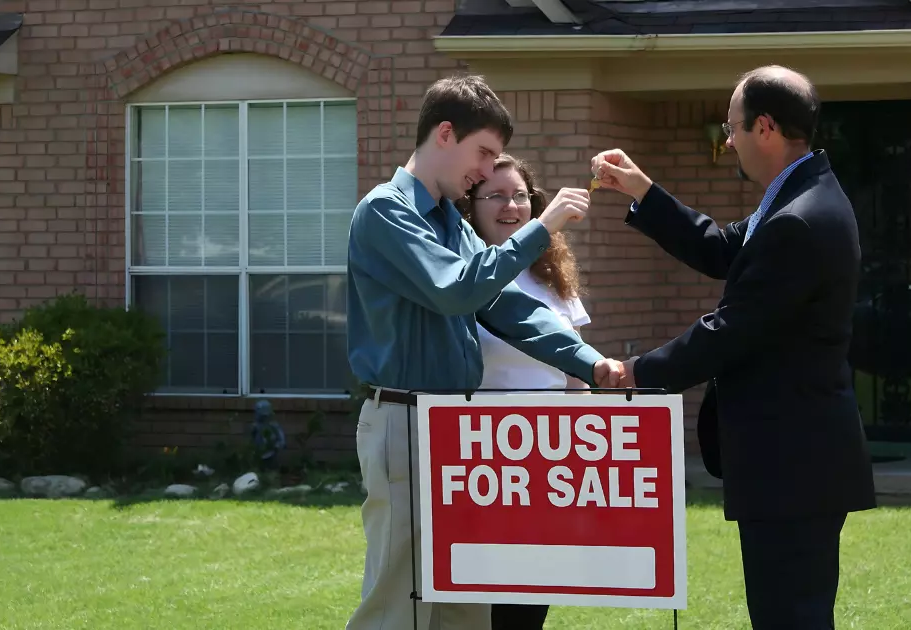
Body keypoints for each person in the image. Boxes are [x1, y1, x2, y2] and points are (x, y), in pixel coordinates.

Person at [592, 65, 876, 629]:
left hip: (790, 463)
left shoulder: (800, 218)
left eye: (733, 126)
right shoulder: (799, 195)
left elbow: (732, 329)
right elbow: (724, 248)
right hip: (797, 462)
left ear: (764, 128)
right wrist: (642, 191)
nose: (728, 139)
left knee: (789, 618)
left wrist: (633, 374)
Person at [344, 74, 624, 630]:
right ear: (444, 133)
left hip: (454, 430)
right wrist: (542, 228)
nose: (486, 169)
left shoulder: (450, 219)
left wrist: (589, 361)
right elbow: (457, 290)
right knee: (398, 605)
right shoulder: (386, 212)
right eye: (484, 152)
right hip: (404, 422)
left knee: (465, 603)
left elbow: (507, 306)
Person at [457, 152, 590, 630]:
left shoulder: (551, 275)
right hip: (483, 463)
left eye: (520, 196)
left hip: (548, 461)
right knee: (483, 598)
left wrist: (577, 452)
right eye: (495, 195)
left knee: (532, 598)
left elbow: (576, 374)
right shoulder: (461, 277)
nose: (510, 206)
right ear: (469, 205)